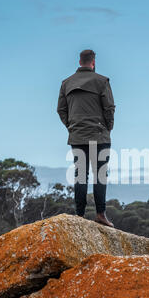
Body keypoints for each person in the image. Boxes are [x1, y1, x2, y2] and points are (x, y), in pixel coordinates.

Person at [57, 49, 115, 227]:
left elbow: (61, 110)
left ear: (79, 61)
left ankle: (79, 216)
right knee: (100, 175)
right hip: (100, 135)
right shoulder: (102, 81)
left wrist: (72, 127)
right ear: (93, 62)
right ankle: (100, 214)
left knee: (80, 174)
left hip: (77, 136)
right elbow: (109, 108)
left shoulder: (66, 83)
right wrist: (107, 128)